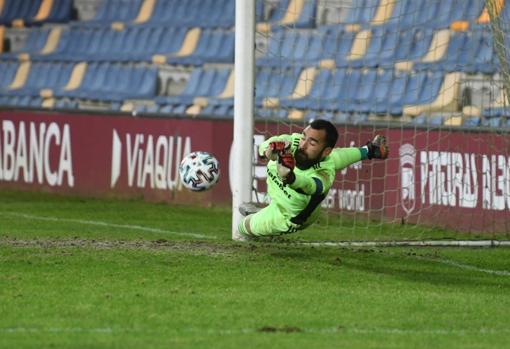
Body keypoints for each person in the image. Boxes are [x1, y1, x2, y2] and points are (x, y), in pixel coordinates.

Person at [237, 119, 388, 239]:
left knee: (242, 228)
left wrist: (290, 177)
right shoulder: (294, 143)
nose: (303, 144)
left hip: (289, 215)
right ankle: (370, 150)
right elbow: (266, 146)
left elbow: (311, 186)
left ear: (325, 150)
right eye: (304, 137)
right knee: (332, 157)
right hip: (280, 195)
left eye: (312, 142)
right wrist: (268, 151)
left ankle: (260, 220)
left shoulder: (324, 172)